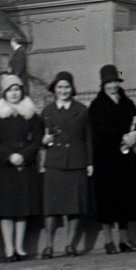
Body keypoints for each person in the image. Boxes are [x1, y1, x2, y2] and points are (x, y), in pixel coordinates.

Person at [88, 64, 136, 254]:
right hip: (106, 160)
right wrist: (122, 136)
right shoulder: (97, 106)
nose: (113, 85)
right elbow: (98, 132)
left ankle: (124, 240)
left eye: (115, 81)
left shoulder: (127, 103)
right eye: (109, 82)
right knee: (107, 201)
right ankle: (108, 241)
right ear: (103, 84)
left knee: (125, 200)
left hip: (125, 160)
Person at [0, 75, 42, 261]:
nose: (14, 93)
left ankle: (20, 247)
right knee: (7, 209)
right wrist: (10, 157)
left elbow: (37, 140)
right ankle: (9, 249)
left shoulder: (31, 115)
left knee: (22, 208)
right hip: (5, 167)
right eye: (10, 90)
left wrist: (24, 156)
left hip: (25, 164)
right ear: (4, 93)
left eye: (17, 89)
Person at [40, 71, 93, 257]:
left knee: (74, 206)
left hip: (76, 162)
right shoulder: (47, 111)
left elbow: (88, 138)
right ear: (54, 89)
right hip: (55, 163)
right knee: (51, 208)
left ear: (72, 89)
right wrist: (44, 140)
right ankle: (49, 245)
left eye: (67, 87)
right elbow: (40, 138)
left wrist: (89, 162)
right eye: (60, 87)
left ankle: (70, 244)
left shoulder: (81, 110)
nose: (63, 91)